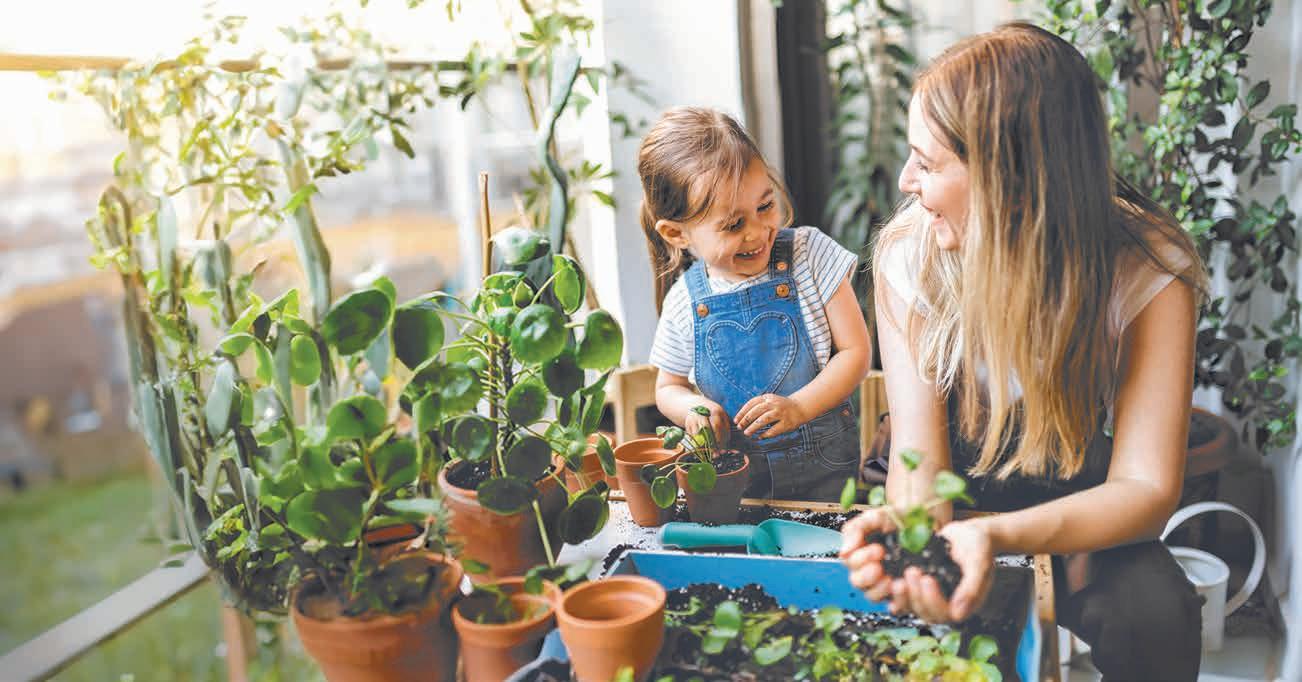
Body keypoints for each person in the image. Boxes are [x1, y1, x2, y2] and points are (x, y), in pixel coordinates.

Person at [838, 22, 1207, 680]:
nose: (905, 180)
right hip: (950, 474)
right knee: (953, 632)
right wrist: (924, 552)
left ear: (1007, 181)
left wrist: (998, 534)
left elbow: (1147, 488)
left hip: (1073, 478)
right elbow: (921, 466)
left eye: (927, 162)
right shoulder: (910, 255)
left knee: (1156, 615)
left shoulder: (1147, 270)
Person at [640, 106, 871, 501]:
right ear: (677, 234)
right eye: (733, 225)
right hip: (739, 490)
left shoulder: (811, 255)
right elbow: (668, 387)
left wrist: (799, 407)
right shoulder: (683, 301)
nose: (759, 231)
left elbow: (856, 352)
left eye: (765, 206)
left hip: (827, 478)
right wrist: (693, 408)